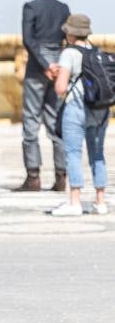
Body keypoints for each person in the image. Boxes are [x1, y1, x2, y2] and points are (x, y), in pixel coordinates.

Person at [15, 0, 70, 192]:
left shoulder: (30, 7)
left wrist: (45, 65)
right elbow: (69, 39)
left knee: (31, 120)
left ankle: (33, 177)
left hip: (38, 66)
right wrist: (58, 65)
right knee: (56, 120)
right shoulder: (62, 7)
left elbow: (28, 40)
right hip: (58, 63)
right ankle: (61, 176)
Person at [50, 14, 108, 216]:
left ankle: (75, 202)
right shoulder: (96, 51)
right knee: (97, 154)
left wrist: (57, 76)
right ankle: (100, 201)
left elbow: (60, 88)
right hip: (100, 109)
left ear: (71, 33)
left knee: (73, 153)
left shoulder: (69, 53)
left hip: (77, 107)